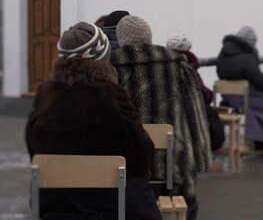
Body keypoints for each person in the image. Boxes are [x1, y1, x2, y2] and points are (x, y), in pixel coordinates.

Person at [25, 22, 161, 220]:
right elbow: (141, 154)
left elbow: (34, 147)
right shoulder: (109, 95)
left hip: (52, 204)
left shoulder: (46, 94)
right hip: (110, 207)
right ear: (101, 57)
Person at [110, 15, 211, 220]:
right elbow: (196, 115)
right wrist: (201, 158)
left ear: (121, 40)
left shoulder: (112, 68)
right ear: (149, 36)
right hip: (175, 163)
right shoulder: (178, 64)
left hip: (131, 168)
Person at [216, 26, 263, 156]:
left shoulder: (223, 53)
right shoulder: (246, 58)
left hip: (228, 97)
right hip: (243, 98)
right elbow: (259, 80)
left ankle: (262, 143)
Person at [166, 33, 225, 151]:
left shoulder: (163, 64)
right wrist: (210, 94)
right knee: (210, 113)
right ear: (188, 49)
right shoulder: (189, 65)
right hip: (189, 111)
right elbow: (203, 94)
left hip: (168, 110)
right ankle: (210, 149)